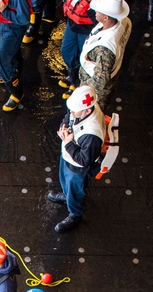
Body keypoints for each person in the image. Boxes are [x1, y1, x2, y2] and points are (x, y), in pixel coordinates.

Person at [47, 85, 105, 233]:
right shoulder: (80, 109)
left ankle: (75, 213)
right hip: (68, 157)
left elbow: (84, 160)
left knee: (75, 188)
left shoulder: (92, 134)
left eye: (74, 110)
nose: (71, 112)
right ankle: (67, 196)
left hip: (77, 167)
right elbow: (69, 115)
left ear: (87, 110)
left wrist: (67, 143)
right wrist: (64, 125)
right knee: (64, 180)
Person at [77, 0, 132, 109]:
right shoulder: (124, 22)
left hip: (95, 92)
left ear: (106, 18)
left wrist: (84, 90)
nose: (95, 12)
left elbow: (99, 82)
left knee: (92, 113)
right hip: (112, 73)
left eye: (99, 11)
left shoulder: (104, 50)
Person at [0, 0, 33, 111]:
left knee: (4, 60)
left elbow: (23, 19)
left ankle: (16, 93)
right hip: (6, 24)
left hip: (13, 28)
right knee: (12, 51)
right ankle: (16, 70)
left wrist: (4, 11)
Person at [57, 0, 95, 98]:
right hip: (73, 21)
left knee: (85, 57)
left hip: (89, 27)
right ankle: (73, 76)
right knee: (67, 52)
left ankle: (78, 84)